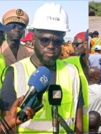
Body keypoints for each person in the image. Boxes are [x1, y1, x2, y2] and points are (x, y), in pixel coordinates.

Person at [0, 3, 85, 133]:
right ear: (33, 38)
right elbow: (8, 124)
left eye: (57, 41)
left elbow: (78, 125)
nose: (51, 46)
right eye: (45, 40)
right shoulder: (14, 73)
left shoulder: (72, 72)